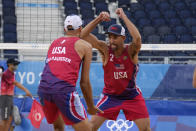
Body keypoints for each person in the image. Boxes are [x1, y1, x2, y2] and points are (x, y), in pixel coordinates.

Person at [80, 8, 151, 131]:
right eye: (110, 37)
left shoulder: (131, 50)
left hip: (132, 97)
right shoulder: (106, 50)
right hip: (110, 97)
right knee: (90, 127)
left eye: (115, 37)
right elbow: (83, 35)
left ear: (123, 38)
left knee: (145, 129)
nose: (111, 40)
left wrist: (123, 16)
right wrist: (99, 18)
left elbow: (138, 39)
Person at [38, 15, 103, 131]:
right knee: (87, 129)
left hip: (44, 90)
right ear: (80, 28)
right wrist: (91, 106)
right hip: (63, 91)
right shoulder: (86, 46)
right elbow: (84, 82)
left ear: (65, 29)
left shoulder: (54, 43)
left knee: (58, 127)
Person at [0, 58, 33, 131]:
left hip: (9, 98)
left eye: (17, 64)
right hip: (5, 98)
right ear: (9, 65)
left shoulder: (11, 73)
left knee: (11, 119)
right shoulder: (7, 73)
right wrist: (26, 90)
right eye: (14, 64)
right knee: (5, 120)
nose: (16, 66)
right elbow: (16, 83)